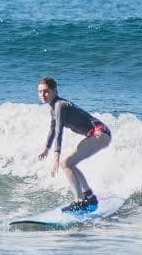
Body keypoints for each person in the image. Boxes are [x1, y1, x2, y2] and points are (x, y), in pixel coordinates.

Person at [36, 77, 112, 212]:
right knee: (69, 164)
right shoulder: (54, 108)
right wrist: (46, 149)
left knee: (65, 163)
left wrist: (56, 157)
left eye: (46, 91)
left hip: (99, 133)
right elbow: (53, 129)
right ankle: (89, 197)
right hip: (99, 134)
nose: (43, 94)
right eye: (40, 92)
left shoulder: (60, 105)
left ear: (54, 91)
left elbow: (59, 131)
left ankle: (80, 201)